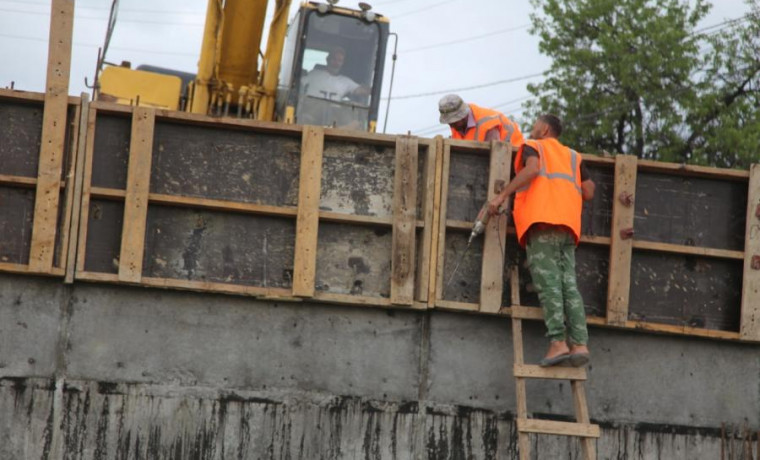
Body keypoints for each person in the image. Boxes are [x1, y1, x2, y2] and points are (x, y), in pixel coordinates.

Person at [488, 114, 595, 368]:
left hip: (542, 222)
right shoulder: (573, 156)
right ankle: (580, 344)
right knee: (569, 284)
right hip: (568, 226)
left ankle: (557, 344)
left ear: (545, 129)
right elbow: (589, 191)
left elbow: (533, 168)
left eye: (536, 123)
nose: (532, 127)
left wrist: (502, 195)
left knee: (549, 284)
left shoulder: (532, 146)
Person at [438, 94, 525, 146]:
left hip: (515, 161)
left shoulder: (488, 124)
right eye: (449, 122)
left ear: (463, 115)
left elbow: (495, 154)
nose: (451, 125)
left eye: (454, 122)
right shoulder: (457, 126)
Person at [300, 46, 369, 101]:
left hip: (333, 117)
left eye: (339, 60)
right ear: (328, 59)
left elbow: (362, 91)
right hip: (309, 114)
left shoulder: (345, 81)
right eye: (334, 59)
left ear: (343, 63)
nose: (336, 63)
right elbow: (299, 84)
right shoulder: (314, 74)